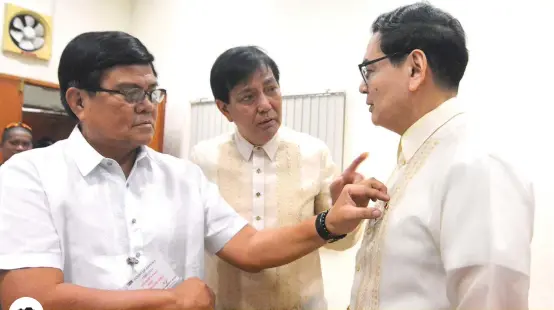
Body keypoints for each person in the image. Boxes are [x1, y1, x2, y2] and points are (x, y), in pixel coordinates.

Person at [0, 31, 389, 310]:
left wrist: (329, 224)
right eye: (130, 93)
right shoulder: (31, 175)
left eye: (152, 92)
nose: (148, 105)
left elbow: (249, 248)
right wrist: (170, 300)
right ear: (78, 100)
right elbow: (31, 296)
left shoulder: (181, 176)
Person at [349, 3, 534, 310]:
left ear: (415, 69)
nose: (362, 86)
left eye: (370, 70)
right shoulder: (419, 156)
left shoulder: (478, 164)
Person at [190, 46, 364, 310]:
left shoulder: (313, 152)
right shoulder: (203, 159)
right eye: (248, 97)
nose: (265, 105)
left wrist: (345, 212)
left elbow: (340, 244)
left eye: (271, 89)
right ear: (224, 109)